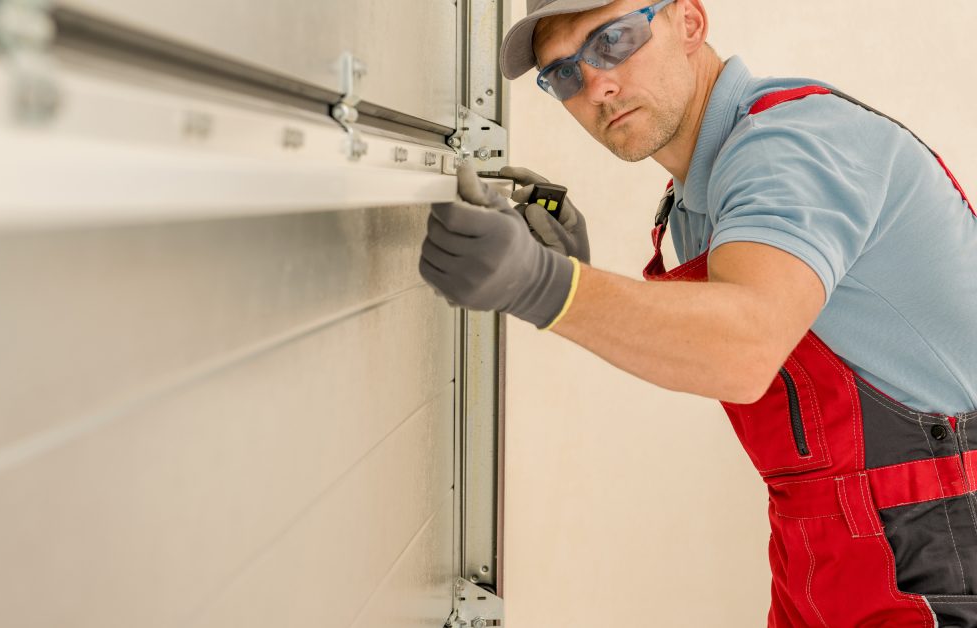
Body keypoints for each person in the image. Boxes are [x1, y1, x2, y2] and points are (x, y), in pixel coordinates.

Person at [418, 0, 977, 625]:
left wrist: (547, 285)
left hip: (939, 546)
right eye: (565, 74)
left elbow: (742, 349)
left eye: (614, 40)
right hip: (825, 546)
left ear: (689, 22)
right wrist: (579, 280)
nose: (597, 84)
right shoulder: (695, 197)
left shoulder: (789, 145)